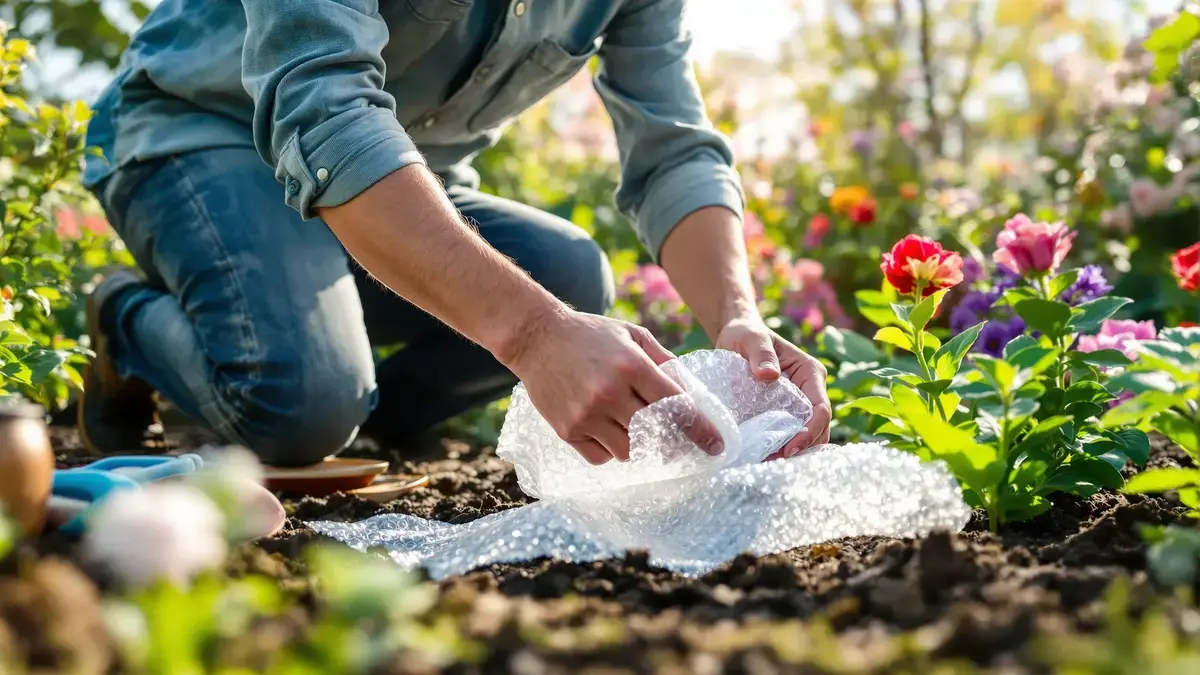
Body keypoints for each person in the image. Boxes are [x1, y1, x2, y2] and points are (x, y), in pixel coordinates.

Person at [79, 0, 831, 468]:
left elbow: (673, 151)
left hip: (390, 187)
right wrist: (535, 335)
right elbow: (325, 108)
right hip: (202, 135)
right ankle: (125, 320)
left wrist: (738, 318)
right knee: (297, 406)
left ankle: (354, 403)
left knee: (571, 273)